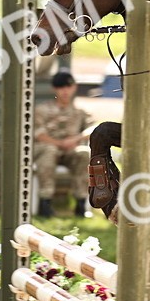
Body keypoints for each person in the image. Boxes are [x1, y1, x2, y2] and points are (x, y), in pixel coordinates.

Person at [34, 71, 93, 218]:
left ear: (74, 88)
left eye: (68, 87)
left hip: (70, 151)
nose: (65, 91)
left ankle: (81, 203)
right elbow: (39, 134)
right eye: (61, 87)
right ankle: (45, 202)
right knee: (50, 151)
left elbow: (93, 128)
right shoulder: (42, 110)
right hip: (47, 149)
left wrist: (75, 139)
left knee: (84, 153)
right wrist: (60, 143)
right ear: (54, 89)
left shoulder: (79, 112)